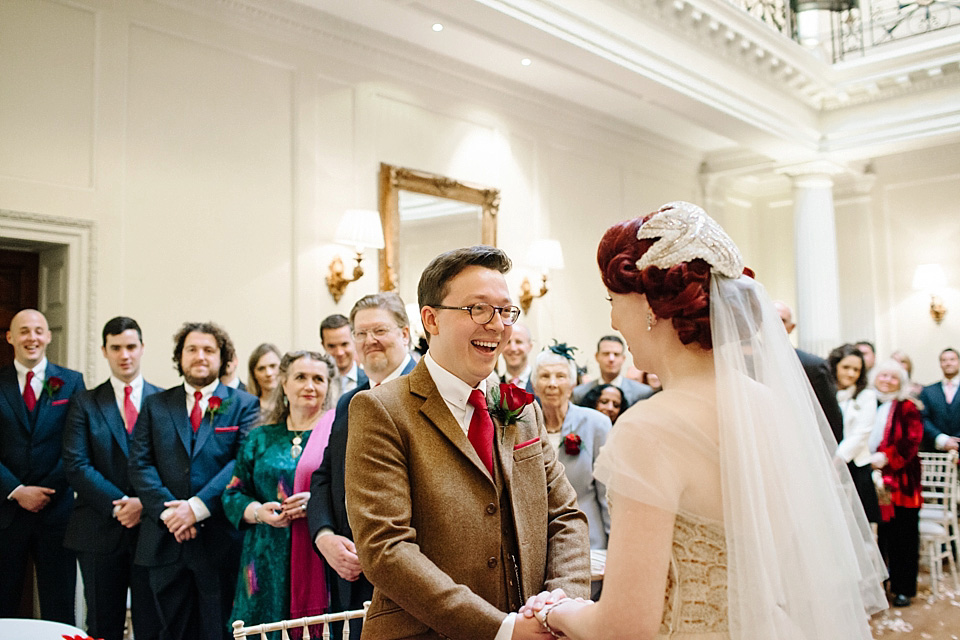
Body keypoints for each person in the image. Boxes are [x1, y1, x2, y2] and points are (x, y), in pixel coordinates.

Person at [522, 202, 886, 639]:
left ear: (648, 305)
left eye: (612, 300)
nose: (613, 319)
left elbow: (623, 627)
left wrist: (555, 611)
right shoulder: (768, 405)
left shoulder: (647, 429)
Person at [345, 246, 590, 639]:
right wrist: (501, 629)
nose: (496, 325)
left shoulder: (522, 408)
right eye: (478, 308)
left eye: (505, 311)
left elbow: (563, 515)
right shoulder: (381, 409)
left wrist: (559, 606)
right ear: (431, 319)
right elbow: (386, 549)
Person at [129, 322, 260, 640]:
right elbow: (140, 464)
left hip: (219, 540)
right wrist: (170, 513)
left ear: (223, 358)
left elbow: (241, 464)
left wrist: (196, 508)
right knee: (169, 631)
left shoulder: (244, 404)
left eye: (209, 350)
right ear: (180, 356)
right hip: (165, 539)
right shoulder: (156, 404)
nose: (200, 356)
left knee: (220, 631)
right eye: (192, 349)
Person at [307, 293, 416, 640]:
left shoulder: (428, 392)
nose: (370, 341)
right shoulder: (348, 402)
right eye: (361, 333)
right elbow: (325, 477)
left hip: (410, 577)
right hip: (349, 574)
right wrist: (324, 537)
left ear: (405, 334)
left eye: (379, 330)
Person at [62, 317, 162, 640]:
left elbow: (170, 466)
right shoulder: (85, 402)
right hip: (97, 530)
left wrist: (141, 504)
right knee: (103, 626)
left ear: (142, 348)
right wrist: (120, 506)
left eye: (131, 347)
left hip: (151, 531)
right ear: (104, 351)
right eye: (116, 348)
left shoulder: (163, 402)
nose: (125, 355)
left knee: (151, 624)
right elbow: (76, 465)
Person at [223, 351, 337, 634]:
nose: (309, 386)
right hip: (264, 558)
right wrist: (258, 512)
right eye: (300, 377)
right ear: (284, 384)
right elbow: (233, 494)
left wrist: (317, 503)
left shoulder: (338, 434)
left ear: (328, 387)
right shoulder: (259, 437)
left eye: (318, 379)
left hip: (319, 555)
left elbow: (354, 492)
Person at [0, 309, 86, 623]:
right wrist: (17, 491)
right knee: (3, 604)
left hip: (57, 512)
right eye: (24, 331)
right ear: (11, 337)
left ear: (48, 336)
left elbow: (76, 446)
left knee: (60, 605)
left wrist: (46, 490)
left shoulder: (72, 382)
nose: (32, 338)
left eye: (38, 331)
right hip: (6, 513)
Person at [532, 345, 611, 549]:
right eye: (544, 376)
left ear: (572, 383)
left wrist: (614, 543)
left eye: (560, 376)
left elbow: (607, 492)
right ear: (534, 384)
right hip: (538, 539)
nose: (552, 383)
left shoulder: (596, 424)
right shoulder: (524, 425)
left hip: (587, 535)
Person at [868, 359, 925, 607]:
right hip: (872, 481)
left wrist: (886, 457)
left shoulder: (907, 407)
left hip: (901, 483)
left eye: (893, 377)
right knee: (881, 538)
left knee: (904, 537)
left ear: (900, 382)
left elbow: (912, 442)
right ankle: (881, 587)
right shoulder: (867, 402)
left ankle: (903, 589)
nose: (887, 381)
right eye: (884, 376)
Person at [774, 300, 845, 444]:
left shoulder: (813, 366)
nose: (772, 323)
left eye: (781, 320)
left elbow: (831, 419)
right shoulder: (745, 362)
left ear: (791, 327)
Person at [827, 344, 880, 523]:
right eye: (846, 367)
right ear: (835, 366)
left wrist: (839, 458)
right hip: (826, 460)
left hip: (855, 465)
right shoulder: (826, 392)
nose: (851, 374)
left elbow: (862, 432)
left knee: (857, 523)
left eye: (856, 369)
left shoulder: (866, 395)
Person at [571, 336, 653, 406]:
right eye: (606, 354)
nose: (611, 359)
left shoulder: (643, 393)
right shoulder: (580, 393)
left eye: (616, 354)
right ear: (597, 356)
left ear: (623, 358)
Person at [918, 347, 960, 452]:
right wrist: (942, 439)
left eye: (952, 359)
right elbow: (923, 418)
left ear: (958, 362)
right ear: (940, 364)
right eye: (944, 360)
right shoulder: (928, 391)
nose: (948, 363)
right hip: (936, 451)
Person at [320, 314, 367, 398]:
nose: (339, 353)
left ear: (354, 340)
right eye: (332, 346)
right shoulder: (316, 383)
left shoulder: (371, 381)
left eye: (344, 344)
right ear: (323, 345)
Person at [247, 343, 282, 417]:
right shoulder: (247, 408)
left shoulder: (294, 404)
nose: (268, 373)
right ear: (254, 374)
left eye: (273, 366)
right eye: (261, 369)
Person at [500, 323, 535, 393]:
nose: (513, 348)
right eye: (508, 342)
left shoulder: (540, 384)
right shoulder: (493, 387)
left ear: (530, 347)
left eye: (518, 342)